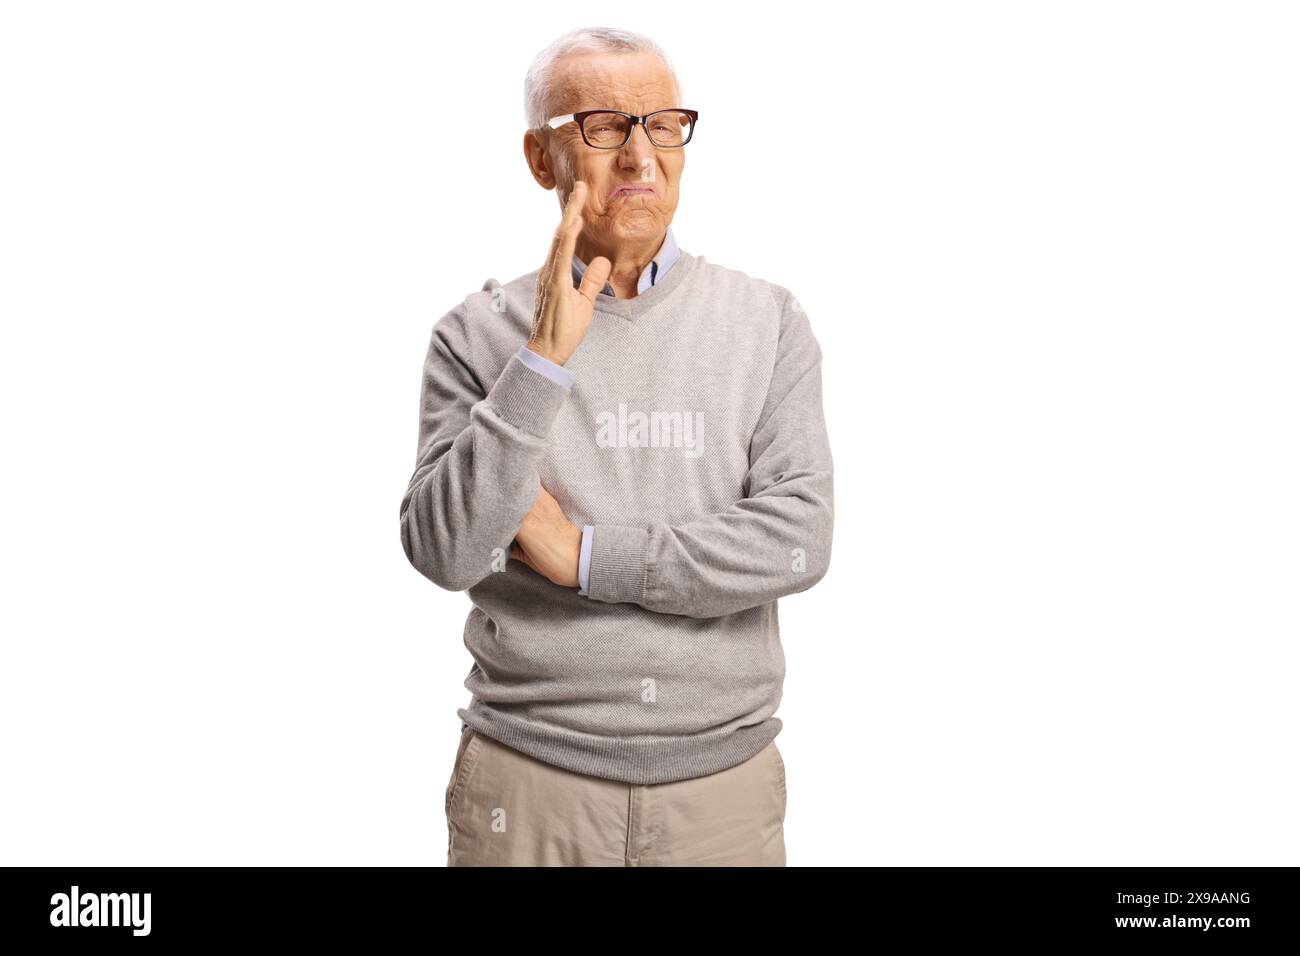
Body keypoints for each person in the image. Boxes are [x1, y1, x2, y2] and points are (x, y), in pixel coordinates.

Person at [400, 26, 834, 866]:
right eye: (602, 126)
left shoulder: (768, 321)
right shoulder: (475, 335)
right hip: (528, 785)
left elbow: (796, 541)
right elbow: (446, 550)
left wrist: (584, 557)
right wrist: (540, 365)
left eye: (662, 124)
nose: (640, 156)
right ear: (540, 157)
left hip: (723, 789)